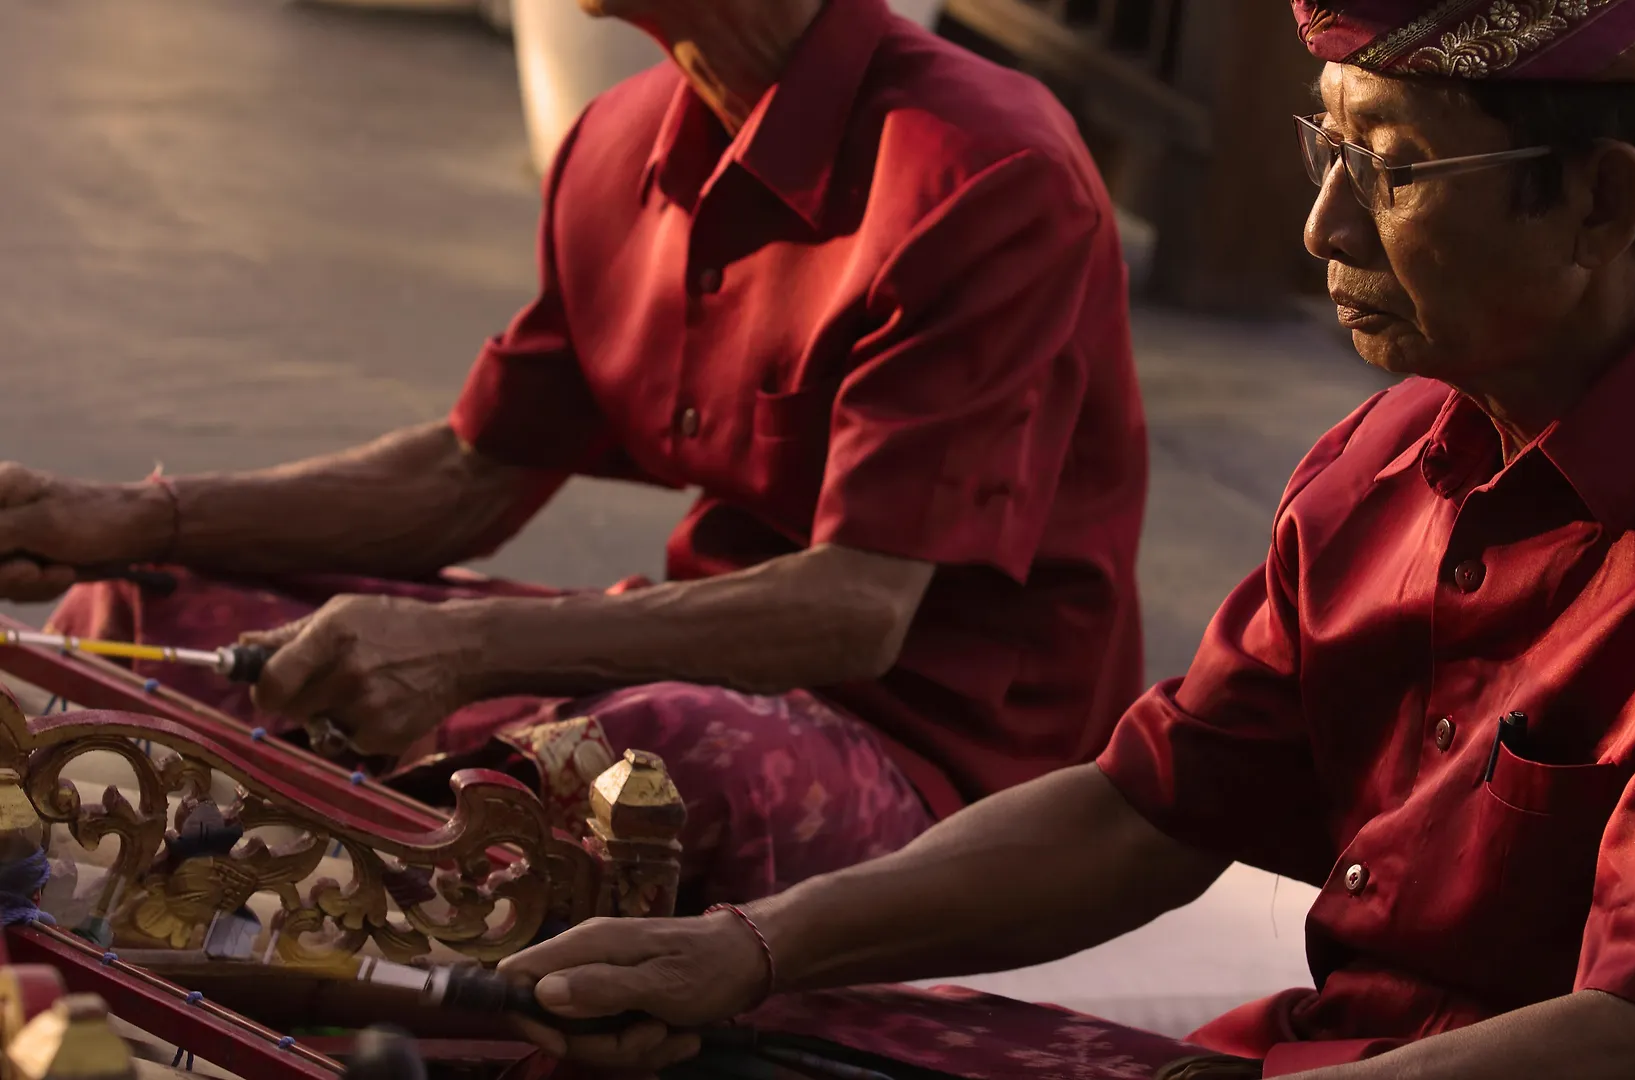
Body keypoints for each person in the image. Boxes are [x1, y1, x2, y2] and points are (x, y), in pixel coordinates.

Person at [492, 1, 1635, 1078]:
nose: (1322, 228)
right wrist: (751, 948)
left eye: (1396, 170)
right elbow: (1146, 809)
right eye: (1326, 148)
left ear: (1601, 202)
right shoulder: (1382, 462)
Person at [0, 0, 1148, 910]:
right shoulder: (618, 137)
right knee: (149, 605)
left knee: (619, 761)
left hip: (945, 758)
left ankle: (284, 946)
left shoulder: (984, 171)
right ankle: (170, 926)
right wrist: (125, 517)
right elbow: (466, 480)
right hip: (694, 663)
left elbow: (854, 614)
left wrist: (461, 649)